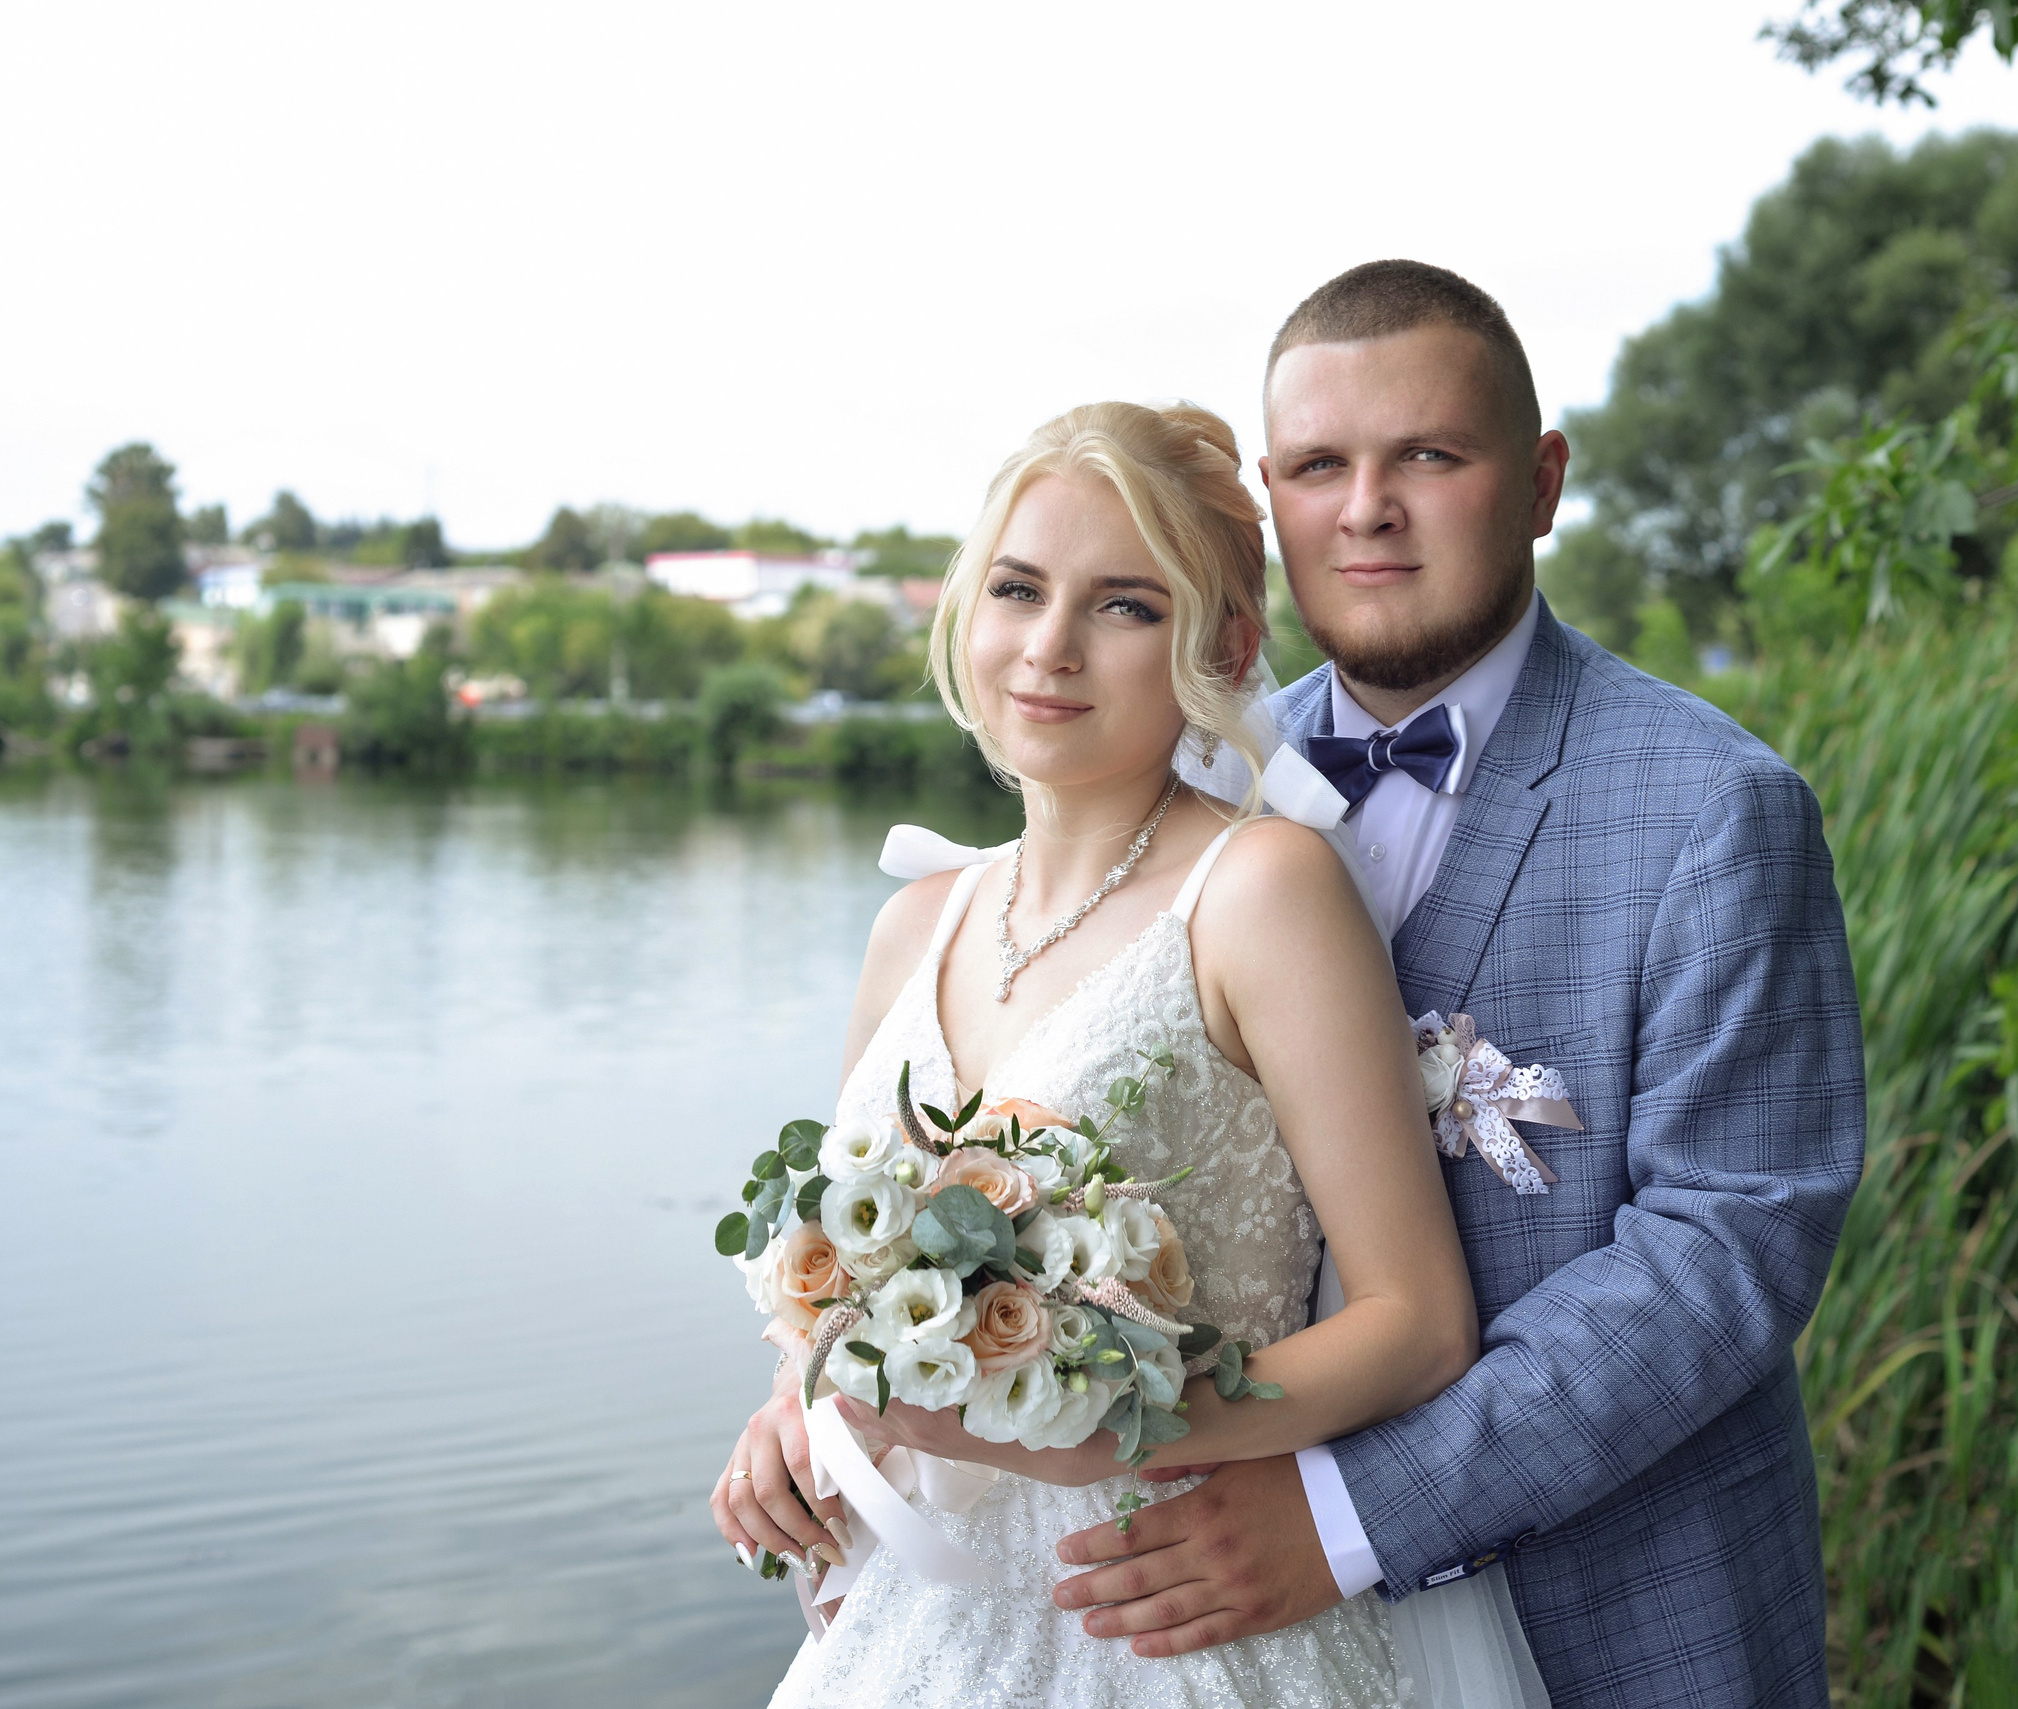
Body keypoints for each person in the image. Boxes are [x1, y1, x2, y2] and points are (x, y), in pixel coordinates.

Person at [1045, 262, 1868, 1707]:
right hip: (1228, 1632)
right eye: (1318, 466)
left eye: (1429, 453)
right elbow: (1033, 1112)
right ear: (1269, 498)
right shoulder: (1188, 779)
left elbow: (1725, 1253)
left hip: (1622, 1613)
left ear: (1541, 481)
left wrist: (1350, 1517)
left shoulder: (1717, 807)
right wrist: (849, 1386)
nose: (1367, 506)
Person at [711, 399, 1490, 1707]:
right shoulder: (916, 924)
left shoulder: (1264, 891)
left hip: (1166, 1616)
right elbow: (857, 1283)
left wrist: (1095, 1429)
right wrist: (797, 1409)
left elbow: (1417, 1324)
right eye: (1020, 589)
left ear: (1226, 641)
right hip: (915, 1626)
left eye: (1124, 606)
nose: (1051, 648)